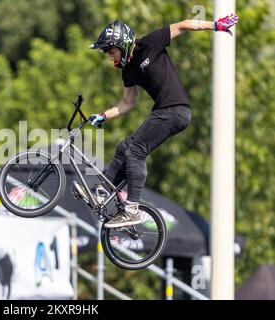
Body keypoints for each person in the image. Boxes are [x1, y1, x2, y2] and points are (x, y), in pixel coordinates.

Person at [76, 14, 239, 228]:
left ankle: (132, 208)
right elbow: (127, 101)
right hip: (163, 112)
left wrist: (216, 25)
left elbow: (185, 25)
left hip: (176, 111)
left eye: (111, 51)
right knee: (125, 147)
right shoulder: (128, 71)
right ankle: (102, 191)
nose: (109, 57)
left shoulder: (151, 43)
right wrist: (104, 115)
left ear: (122, 44)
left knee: (135, 150)